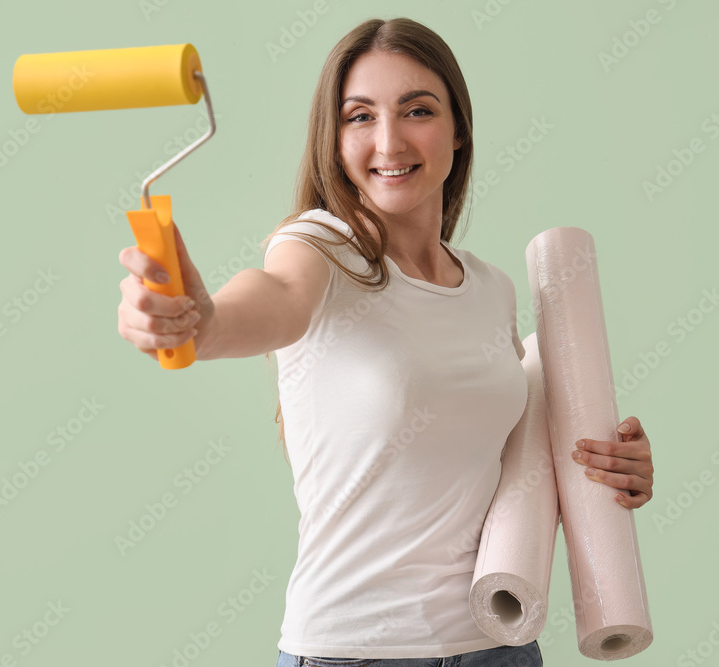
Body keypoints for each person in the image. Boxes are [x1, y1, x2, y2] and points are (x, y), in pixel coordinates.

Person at [117, 17, 654, 667]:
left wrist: (604, 465)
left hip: (499, 646)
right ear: (333, 139)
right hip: (353, 651)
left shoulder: (492, 289)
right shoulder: (318, 249)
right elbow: (273, 302)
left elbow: (518, 464)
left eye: (417, 110)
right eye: (359, 116)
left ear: (458, 129)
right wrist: (199, 320)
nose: (389, 140)